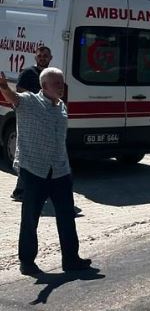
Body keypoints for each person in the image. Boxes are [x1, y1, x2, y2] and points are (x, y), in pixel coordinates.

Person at [0, 68, 92, 276]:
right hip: (34, 170)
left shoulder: (62, 107)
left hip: (60, 170)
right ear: (44, 86)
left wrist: (67, 168)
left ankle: (71, 259)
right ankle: (27, 261)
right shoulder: (30, 102)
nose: (61, 86)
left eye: (61, 83)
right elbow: (14, 98)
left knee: (66, 216)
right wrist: (4, 87)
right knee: (30, 218)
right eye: (56, 83)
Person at [10, 46, 52, 202]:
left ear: (50, 58)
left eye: (45, 56)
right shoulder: (28, 73)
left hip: (46, 120)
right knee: (27, 154)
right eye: (40, 55)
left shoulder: (51, 74)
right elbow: (20, 92)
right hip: (29, 119)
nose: (42, 58)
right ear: (35, 57)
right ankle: (20, 190)